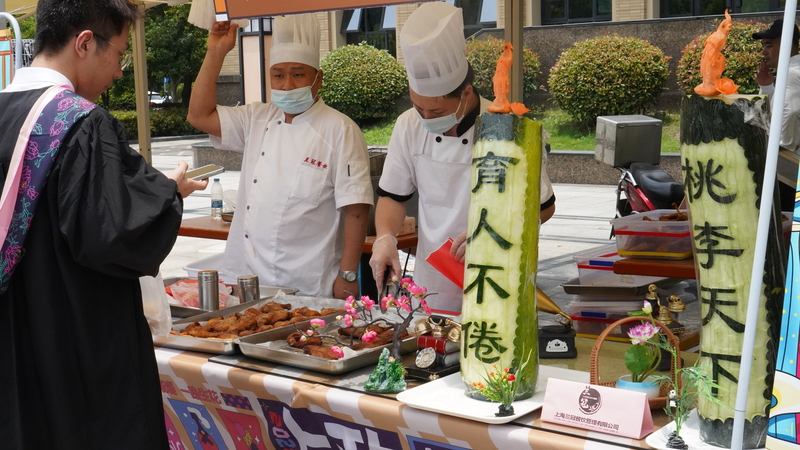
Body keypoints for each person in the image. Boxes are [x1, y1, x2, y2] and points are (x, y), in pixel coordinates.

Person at [0, 0, 207, 448]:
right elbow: (116, 234)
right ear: (85, 44)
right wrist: (167, 192)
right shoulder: (81, 124)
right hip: (76, 346)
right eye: (118, 55)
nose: (118, 71)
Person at [369, 2, 556, 315]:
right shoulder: (408, 125)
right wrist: (385, 237)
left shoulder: (509, 129)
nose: (426, 118)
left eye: (437, 111)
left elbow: (544, 209)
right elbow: (393, 196)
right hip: (433, 290)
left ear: (466, 93)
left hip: (499, 283)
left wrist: (493, 231)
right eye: (419, 108)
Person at [187, 15, 373, 299]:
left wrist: (347, 275)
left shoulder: (340, 129)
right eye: (278, 74)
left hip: (308, 282)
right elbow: (198, 116)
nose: (287, 85)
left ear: (318, 79)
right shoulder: (257, 117)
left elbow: (357, 209)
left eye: (298, 74)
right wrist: (216, 51)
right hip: (246, 276)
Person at [753, 19, 800, 153]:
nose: (764, 52)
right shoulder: (791, 70)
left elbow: (791, 112)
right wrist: (767, 86)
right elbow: (780, 110)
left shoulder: (791, 72)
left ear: (787, 44)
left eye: (769, 45)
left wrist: (782, 147)